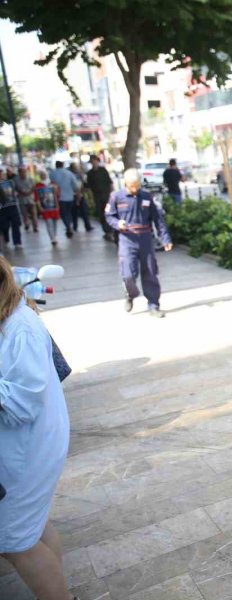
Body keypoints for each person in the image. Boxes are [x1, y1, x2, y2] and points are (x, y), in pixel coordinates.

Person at [0, 257, 75, 600]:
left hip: (27, 451)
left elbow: (20, 405)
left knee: (14, 540)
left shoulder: (20, 326)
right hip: (25, 448)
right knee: (32, 526)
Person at [105, 169, 173, 318]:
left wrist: (165, 239)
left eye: (137, 186)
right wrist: (118, 224)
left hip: (145, 239)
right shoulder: (116, 197)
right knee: (128, 274)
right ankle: (130, 294)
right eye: (131, 186)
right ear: (126, 184)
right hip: (127, 239)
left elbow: (158, 220)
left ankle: (154, 305)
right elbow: (109, 216)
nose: (135, 189)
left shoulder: (146, 197)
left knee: (150, 272)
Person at [86, 155, 115, 241]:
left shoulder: (103, 170)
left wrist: (112, 193)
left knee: (108, 211)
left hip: (106, 194)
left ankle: (110, 230)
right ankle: (106, 231)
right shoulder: (90, 173)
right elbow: (89, 186)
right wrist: (91, 198)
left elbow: (110, 182)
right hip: (97, 196)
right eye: (92, 161)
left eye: (95, 161)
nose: (94, 162)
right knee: (101, 214)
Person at [49, 161, 80, 238]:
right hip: (70, 197)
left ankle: (68, 225)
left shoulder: (52, 173)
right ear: (63, 165)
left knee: (63, 213)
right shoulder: (69, 173)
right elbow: (75, 185)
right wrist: (77, 194)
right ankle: (69, 224)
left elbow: (51, 184)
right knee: (69, 212)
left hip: (59, 197)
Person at [34, 171, 61, 247]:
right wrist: (39, 207)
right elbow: (37, 198)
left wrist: (56, 191)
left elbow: (58, 194)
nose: (43, 176)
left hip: (54, 207)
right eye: (42, 175)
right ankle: (52, 239)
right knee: (49, 223)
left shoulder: (53, 184)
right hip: (45, 208)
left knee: (55, 223)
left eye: (44, 175)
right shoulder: (38, 186)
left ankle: (54, 236)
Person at [0, 171, 22, 250]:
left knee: (15, 224)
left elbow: (16, 190)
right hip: (2, 208)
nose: (2, 176)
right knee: (4, 225)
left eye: (3, 174)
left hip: (12, 205)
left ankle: (17, 242)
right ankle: (6, 238)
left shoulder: (10, 182)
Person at [68, 163, 93, 233]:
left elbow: (83, 184)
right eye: (75, 168)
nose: (76, 169)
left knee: (84, 211)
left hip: (80, 195)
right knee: (74, 212)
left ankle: (87, 226)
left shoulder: (79, 175)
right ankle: (75, 226)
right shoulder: (70, 175)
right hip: (73, 195)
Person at [14, 167, 38, 234]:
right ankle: (27, 224)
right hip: (22, 200)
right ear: (19, 173)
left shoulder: (30, 178)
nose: (23, 173)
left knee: (33, 213)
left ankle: (35, 227)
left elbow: (34, 186)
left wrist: (30, 192)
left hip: (31, 199)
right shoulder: (16, 180)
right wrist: (21, 192)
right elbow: (15, 188)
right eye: (22, 172)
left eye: (24, 172)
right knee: (24, 214)